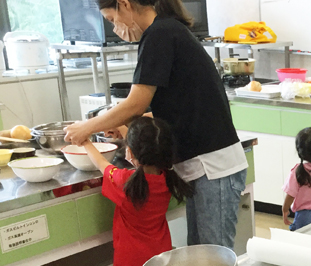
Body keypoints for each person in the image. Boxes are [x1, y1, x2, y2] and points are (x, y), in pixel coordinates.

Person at [64, 0, 247, 249]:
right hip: (205, 166)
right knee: (201, 256)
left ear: (124, 4)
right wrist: (123, 126)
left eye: (110, 19)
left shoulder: (160, 34)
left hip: (213, 167)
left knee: (213, 259)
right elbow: (177, 106)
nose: (114, 27)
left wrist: (86, 127)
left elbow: (135, 104)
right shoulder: (167, 31)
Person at [82, 117, 193, 266]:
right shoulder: (167, 179)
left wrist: (85, 141)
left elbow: (102, 164)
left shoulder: (123, 182)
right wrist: (118, 124)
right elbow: (148, 147)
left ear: (131, 154)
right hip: (160, 263)